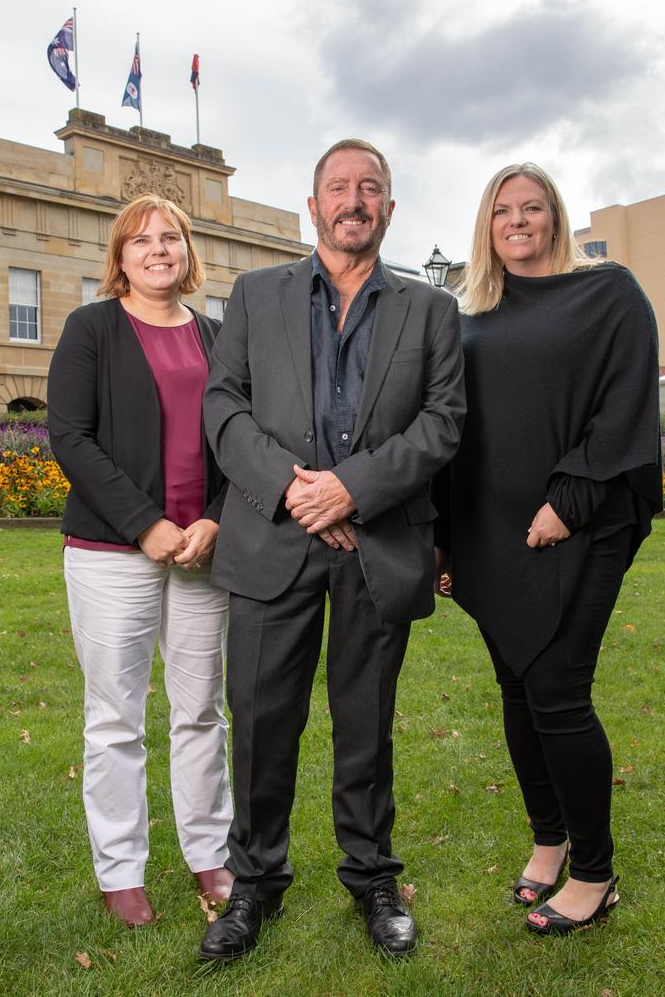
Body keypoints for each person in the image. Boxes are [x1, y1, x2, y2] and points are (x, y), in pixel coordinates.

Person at [199, 139, 466, 960]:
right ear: (313, 205)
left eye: (371, 189)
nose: (355, 200)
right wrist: (295, 487)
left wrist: (352, 488)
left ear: (389, 207)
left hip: (377, 544)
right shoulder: (255, 293)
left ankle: (373, 877)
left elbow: (443, 421)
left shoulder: (431, 310)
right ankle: (255, 886)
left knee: (366, 724)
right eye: (339, 188)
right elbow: (224, 406)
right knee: (263, 719)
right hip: (271, 538)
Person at [433, 162, 662, 935]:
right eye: (503, 211)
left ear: (555, 216)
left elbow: (624, 400)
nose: (518, 221)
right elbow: (452, 435)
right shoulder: (468, 316)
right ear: (487, 225)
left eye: (532, 208)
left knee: (559, 692)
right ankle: (549, 839)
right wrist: (442, 539)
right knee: (517, 693)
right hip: (489, 536)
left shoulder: (609, 294)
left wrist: (570, 500)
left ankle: (595, 876)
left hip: (580, 523)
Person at [48, 194, 234, 927]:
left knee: (200, 712)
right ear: (120, 258)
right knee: (117, 717)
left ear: (188, 252)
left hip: (203, 553)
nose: (159, 249)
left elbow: (236, 438)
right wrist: (145, 525)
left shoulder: (219, 337)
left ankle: (209, 854)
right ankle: (121, 869)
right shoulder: (92, 329)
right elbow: (71, 437)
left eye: (172, 238)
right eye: (142, 240)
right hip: (110, 552)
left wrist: (215, 517)